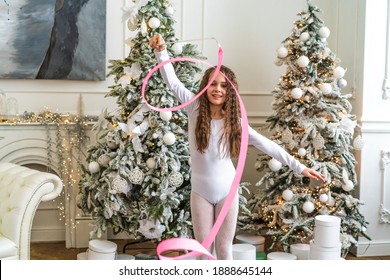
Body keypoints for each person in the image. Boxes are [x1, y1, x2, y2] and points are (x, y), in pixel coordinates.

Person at [149, 34, 325, 260]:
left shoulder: (236, 123)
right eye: (212, 83)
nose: (217, 89)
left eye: (223, 85)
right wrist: (161, 51)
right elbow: (172, 82)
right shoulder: (194, 108)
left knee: (224, 250)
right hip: (200, 192)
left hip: (227, 192)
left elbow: (267, 144)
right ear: (205, 86)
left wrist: (299, 167)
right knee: (205, 252)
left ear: (230, 91)